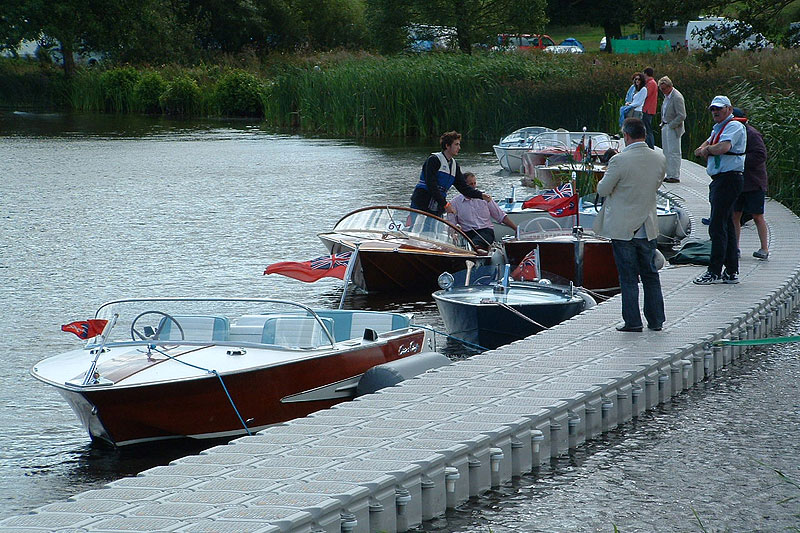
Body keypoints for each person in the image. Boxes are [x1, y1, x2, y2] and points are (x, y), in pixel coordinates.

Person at [593, 117, 666, 332]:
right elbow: (657, 184)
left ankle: (633, 322)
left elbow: (602, 190)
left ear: (626, 135)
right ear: (644, 133)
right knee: (650, 275)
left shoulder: (619, 160)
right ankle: (656, 320)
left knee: (628, 277)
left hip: (624, 229)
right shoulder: (659, 158)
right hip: (647, 226)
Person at [693, 95, 747, 285]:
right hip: (721, 180)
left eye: (719, 108)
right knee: (727, 225)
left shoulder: (733, 126)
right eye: (713, 109)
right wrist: (706, 149)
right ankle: (731, 271)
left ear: (729, 109)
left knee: (716, 226)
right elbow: (701, 147)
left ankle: (714, 271)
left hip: (729, 179)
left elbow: (723, 147)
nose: (715, 112)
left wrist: (707, 150)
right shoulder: (718, 128)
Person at [410, 131, 490, 217]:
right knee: (417, 227)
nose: (459, 148)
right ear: (447, 146)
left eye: (459, 145)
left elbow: (463, 188)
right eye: (456, 144)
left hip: (437, 205)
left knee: (433, 229)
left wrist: (481, 195)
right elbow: (431, 184)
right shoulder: (434, 160)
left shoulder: (455, 166)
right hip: (422, 201)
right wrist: (445, 204)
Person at [731, 107, 769, 259]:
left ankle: (764, 248)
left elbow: (761, 155)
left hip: (754, 182)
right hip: (737, 181)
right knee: (735, 215)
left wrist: (739, 159)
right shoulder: (730, 133)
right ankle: (735, 248)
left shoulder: (752, 134)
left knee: (757, 216)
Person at [450, 172, 518, 250]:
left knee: (476, 243)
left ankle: (476, 249)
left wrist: (516, 229)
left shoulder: (485, 198)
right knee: (468, 243)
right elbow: (452, 223)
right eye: (470, 184)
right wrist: (453, 235)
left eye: (474, 183)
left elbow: (500, 216)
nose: (473, 186)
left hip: (486, 231)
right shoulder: (454, 203)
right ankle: (476, 251)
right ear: (464, 186)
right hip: (468, 233)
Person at [658, 76, 686, 183]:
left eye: (664, 89)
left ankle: (674, 175)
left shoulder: (677, 97)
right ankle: (669, 173)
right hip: (665, 125)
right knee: (666, 151)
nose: (663, 91)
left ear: (670, 86)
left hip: (673, 127)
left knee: (674, 152)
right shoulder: (667, 96)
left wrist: (671, 125)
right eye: (661, 89)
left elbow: (682, 115)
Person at [642, 67, 658, 149]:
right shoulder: (651, 83)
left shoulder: (651, 83)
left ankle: (650, 147)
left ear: (645, 73)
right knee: (646, 128)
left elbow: (646, 94)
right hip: (648, 109)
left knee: (648, 129)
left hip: (648, 109)